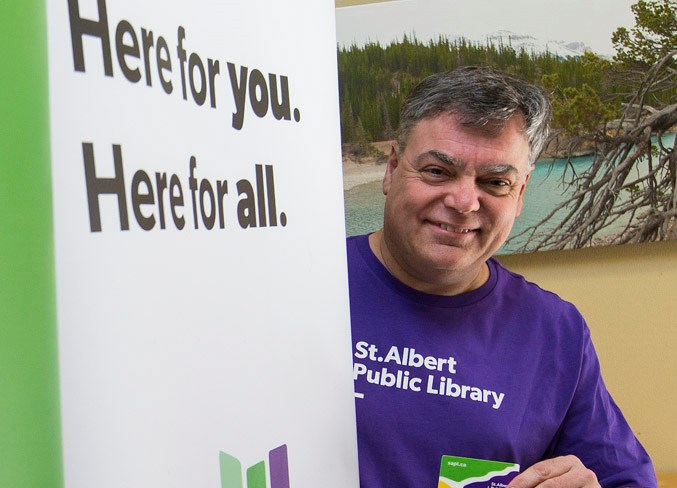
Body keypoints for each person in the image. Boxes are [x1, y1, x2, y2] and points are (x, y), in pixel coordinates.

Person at [347, 66, 656, 488]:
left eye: (495, 182)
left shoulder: (555, 331)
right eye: (438, 171)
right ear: (392, 169)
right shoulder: (302, 283)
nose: (463, 201)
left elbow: (626, 477)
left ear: (521, 192)